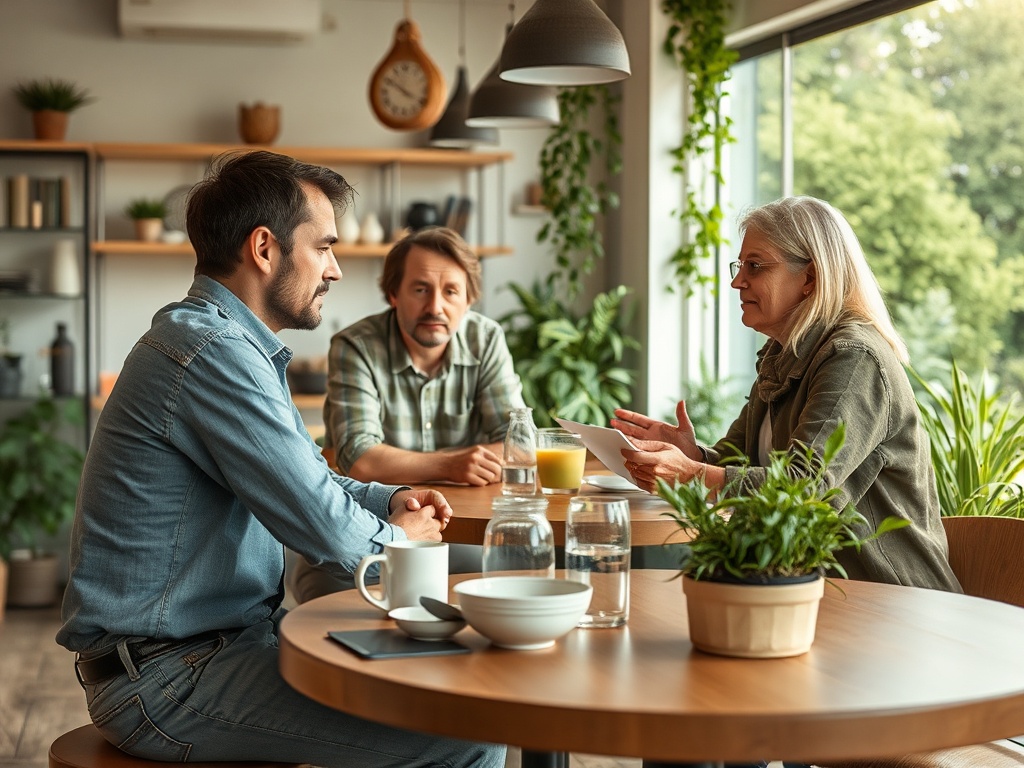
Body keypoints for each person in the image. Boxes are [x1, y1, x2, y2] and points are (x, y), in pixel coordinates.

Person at [56, 151, 505, 768]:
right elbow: (324, 528)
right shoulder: (211, 351)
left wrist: (389, 499)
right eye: (323, 247)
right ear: (265, 249)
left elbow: (311, 482)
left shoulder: (228, 345)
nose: (336, 270)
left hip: (217, 651)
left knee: (461, 684)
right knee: (466, 732)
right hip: (169, 681)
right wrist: (397, 536)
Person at [614, 196, 961, 593]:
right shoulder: (784, 352)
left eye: (755, 266)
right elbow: (741, 461)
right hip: (808, 589)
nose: (737, 281)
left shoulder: (853, 359)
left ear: (810, 278)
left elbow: (804, 489)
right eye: (740, 265)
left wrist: (693, 474)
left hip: (891, 600)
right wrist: (694, 455)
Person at [290, 226, 525, 603]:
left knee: (515, 589)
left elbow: (520, 442)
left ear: (469, 300)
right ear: (393, 294)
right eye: (420, 289)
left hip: (461, 536)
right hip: (370, 536)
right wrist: (450, 465)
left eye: (451, 291)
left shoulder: (487, 339)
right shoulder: (356, 346)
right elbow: (361, 458)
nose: (435, 307)